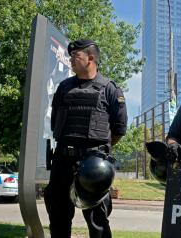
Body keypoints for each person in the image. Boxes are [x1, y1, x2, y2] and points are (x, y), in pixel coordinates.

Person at [44, 39, 127, 238]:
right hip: (62, 160)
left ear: (90, 58)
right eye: (70, 56)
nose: (71, 60)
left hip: (93, 164)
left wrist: (99, 152)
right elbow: (55, 122)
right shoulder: (64, 88)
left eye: (76, 56)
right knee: (58, 216)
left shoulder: (109, 89)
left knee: (97, 220)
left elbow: (119, 129)